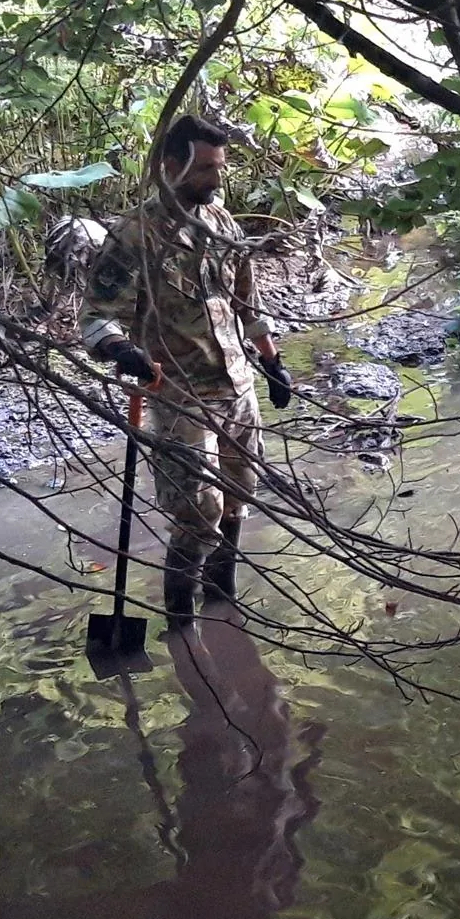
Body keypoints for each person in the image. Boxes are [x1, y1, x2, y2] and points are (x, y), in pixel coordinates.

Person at [80, 114, 294, 625]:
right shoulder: (136, 234)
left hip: (236, 384)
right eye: (205, 170)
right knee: (198, 512)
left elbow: (248, 302)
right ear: (169, 166)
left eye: (220, 168)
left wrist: (272, 360)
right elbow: (95, 315)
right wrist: (118, 349)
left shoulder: (223, 226)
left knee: (241, 494)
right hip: (178, 393)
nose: (216, 180)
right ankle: (181, 621)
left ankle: (224, 604)